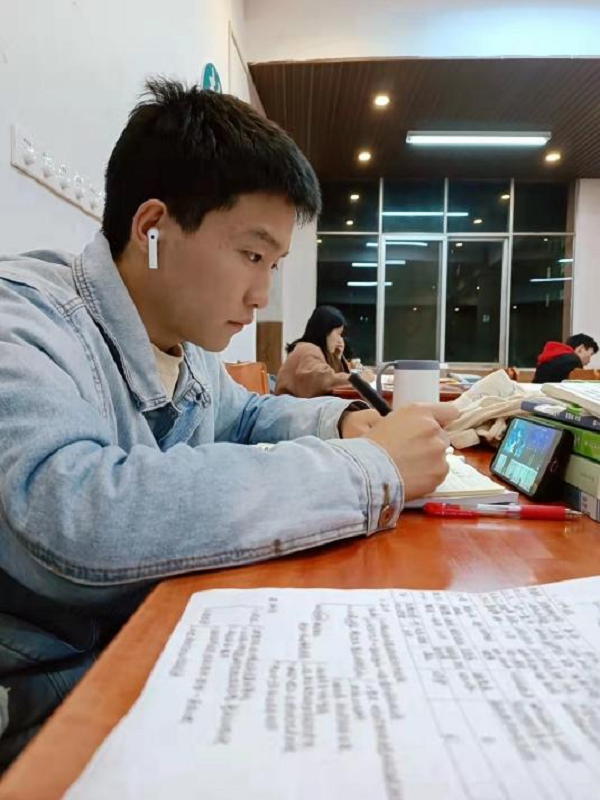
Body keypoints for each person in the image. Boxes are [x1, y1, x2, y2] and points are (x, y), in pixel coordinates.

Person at [0, 78, 457, 768]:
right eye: (251, 255)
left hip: (146, 653)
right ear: (152, 229)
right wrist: (369, 472)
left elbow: (248, 416)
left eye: (274, 264)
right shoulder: (25, 319)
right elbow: (72, 516)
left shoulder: (184, 344)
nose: (261, 295)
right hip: (46, 699)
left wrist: (344, 423)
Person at [275, 306, 373, 397]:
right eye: (338, 334)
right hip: (291, 407)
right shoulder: (307, 350)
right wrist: (359, 379)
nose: (340, 340)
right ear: (325, 331)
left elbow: (332, 384)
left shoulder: (314, 350)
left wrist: (336, 358)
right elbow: (325, 382)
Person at [533, 333, 598, 383]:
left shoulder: (552, 358)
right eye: (590, 354)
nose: (589, 361)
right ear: (580, 349)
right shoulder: (573, 361)